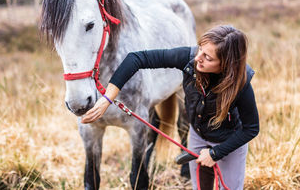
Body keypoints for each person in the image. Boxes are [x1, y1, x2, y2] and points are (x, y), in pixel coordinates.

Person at [82, 25, 259, 190]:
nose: (198, 58)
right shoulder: (189, 59)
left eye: (208, 57)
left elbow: (251, 129)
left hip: (228, 142)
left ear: (226, 64)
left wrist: (216, 153)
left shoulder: (241, 84)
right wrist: (107, 98)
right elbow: (136, 58)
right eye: (200, 49)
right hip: (198, 135)